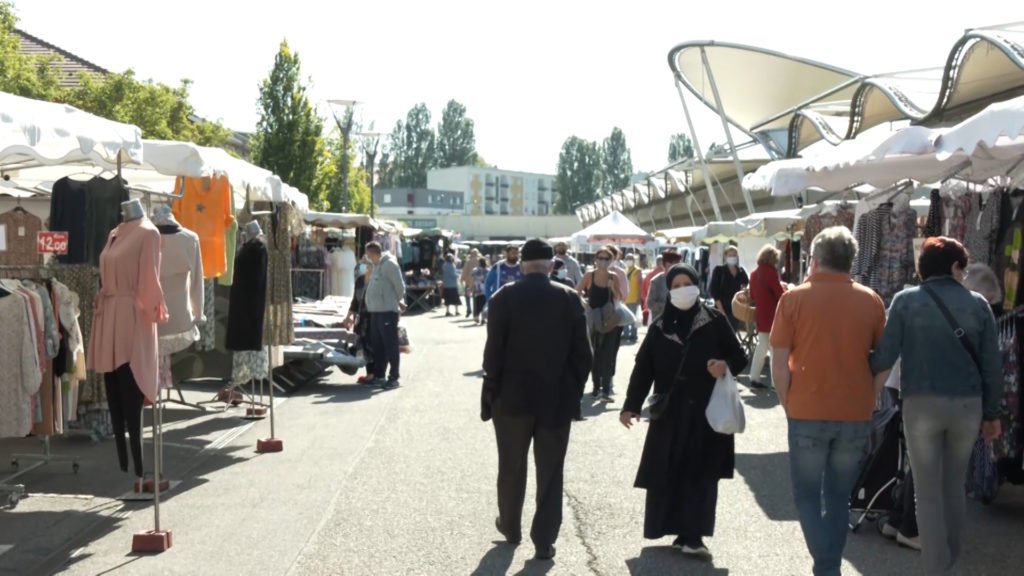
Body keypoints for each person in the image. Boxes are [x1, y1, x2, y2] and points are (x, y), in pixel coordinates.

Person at [870, 237, 1002, 576]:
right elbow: (992, 365)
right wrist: (992, 415)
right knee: (954, 486)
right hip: (967, 407)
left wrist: (867, 390)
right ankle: (949, 560)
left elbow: (885, 357)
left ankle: (935, 569)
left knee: (926, 492)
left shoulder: (905, 301)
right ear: (956, 267)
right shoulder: (978, 305)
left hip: (921, 405)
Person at [770, 226, 887, 576]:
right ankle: (828, 568)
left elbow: (778, 359)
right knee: (838, 496)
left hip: (806, 407)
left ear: (815, 259)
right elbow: (884, 359)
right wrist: (873, 393)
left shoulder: (793, 299)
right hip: (854, 411)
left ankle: (826, 567)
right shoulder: (870, 299)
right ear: (851, 260)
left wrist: (786, 400)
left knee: (806, 495)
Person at [620, 263, 747, 559]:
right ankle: (676, 531)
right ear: (668, 291)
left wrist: (724, 366)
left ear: (696, 284)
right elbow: (643, 370)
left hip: (706, 413)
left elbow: (738, 355)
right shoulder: (660, 327)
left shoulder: (715, 321)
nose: (681, 290)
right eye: (674, 286)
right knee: (669, 470)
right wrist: (630, 406)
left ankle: (693, 535)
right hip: (670, 414)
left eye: (685, 283)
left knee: (701, 472)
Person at [482, 238, 593, 562]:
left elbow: (493, 355)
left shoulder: (503, 298)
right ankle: (544, 541)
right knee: (550, 471)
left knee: (511, 466)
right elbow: (583, 357)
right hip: (555, 401)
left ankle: (511, 527)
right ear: (550, 266)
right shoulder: (570, 298)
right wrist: (572, 391)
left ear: (522, 265)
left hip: (511, 401)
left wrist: (492, 391)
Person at [579, 246, 624, 401]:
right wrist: (585, 305)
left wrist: (613, 288)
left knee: (607, 354)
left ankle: (605, 390)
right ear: (596, 260)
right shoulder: (589, 276)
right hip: (593, 319)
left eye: (607, 259)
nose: (603, 262)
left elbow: (620, 297)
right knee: (594, 354)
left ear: (611, 260)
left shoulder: (614, 277)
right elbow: (576, 292)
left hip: (609, 320)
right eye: (600, 258)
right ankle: (596, 386)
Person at [364, 241, 406, 390]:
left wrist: (395, 301)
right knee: (378, 346)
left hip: (387, 312)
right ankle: (380, 376)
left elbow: (400, 287)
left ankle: (394, 377)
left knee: (390, 346)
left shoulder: (390, 265)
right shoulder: (375, 267)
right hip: (375, 312)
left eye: (369, 255)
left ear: (376, 253)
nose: (368, 258)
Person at [747, 244, 787, 389]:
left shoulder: (754, 273)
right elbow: (779, 293)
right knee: (774, 348)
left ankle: (754, 377)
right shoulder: (770, 272)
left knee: (762, 346)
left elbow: (752, 295)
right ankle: (775, 382)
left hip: (761, 313)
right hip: (772, 313)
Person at [344, 259, 375, 384]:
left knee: (374, 346)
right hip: (361, 320)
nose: (365, 266)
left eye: (367, 263)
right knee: (364, 346)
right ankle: (370, 374)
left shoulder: (379, 280)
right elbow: (355, 301)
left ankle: (375, 375)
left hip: (374, 318)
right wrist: (348, 317)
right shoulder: (360, 280)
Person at [709, 246, 749, 330]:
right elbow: (714, 292)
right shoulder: (719, 271)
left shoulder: (741, 271)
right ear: (725, 256)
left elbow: (745, 288)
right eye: (730, 255)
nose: (732, 257)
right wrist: (721, 311)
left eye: (734, 255)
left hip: (736, 311)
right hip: (722, 310)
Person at [646, 250, 683, 324]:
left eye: (675, 265)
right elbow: (650, 303)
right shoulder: (656, 281)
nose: (672, 268)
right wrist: (668, 307)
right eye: (669, 265)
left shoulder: (682, 280)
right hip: (660, 322)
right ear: (664, 265)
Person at [623, 255, 643, 342]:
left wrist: (639, 297)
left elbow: (640, 285)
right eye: (627, 259)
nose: (628, 261)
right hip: (626, 299)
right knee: (626, 318)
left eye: (630, 259)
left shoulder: (637, 270)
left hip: (634, 298)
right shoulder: (626, 270)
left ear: (634, 260)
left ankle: (633, 335)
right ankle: (626, 334)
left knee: (634, 319)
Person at [641, 254, 664, 325]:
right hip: (663, 305)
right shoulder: (665, 275)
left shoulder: (649, 275)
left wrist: (645, 302)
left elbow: (643, 290)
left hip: (651, 304)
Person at [461, 248, 481, 317]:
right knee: (476, 298)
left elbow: (464, 271)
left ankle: (469, 309)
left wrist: (462, 279)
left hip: (469, 282)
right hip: (478, 282)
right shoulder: (480, 261)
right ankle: (476, 313)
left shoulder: (468, 261)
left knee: (467, 297)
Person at [471, 258, 489, 325]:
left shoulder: (475, 270)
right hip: (485, 290)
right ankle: (483, 318)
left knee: (477, 304)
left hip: (477, 289)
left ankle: (476, 317)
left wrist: (471, 287)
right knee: (484, 304)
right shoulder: (487, 270)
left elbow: (473, 278)